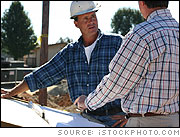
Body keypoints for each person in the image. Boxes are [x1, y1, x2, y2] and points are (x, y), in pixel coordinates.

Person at [1, 1, 124, 127]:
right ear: (76, 23)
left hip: (116, 119)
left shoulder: (116, 43)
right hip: (85, 119)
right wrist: (12, 92)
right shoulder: (70, 53)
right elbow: (41, 75)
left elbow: (137, 75)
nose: (91, 21)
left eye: (93, 16)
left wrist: (130, 115)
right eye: (85, 18)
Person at [74, 1, 179, 127]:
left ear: (142, 3)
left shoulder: (142, 34)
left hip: (146, 124)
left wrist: (87, 102)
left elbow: (116, 83)